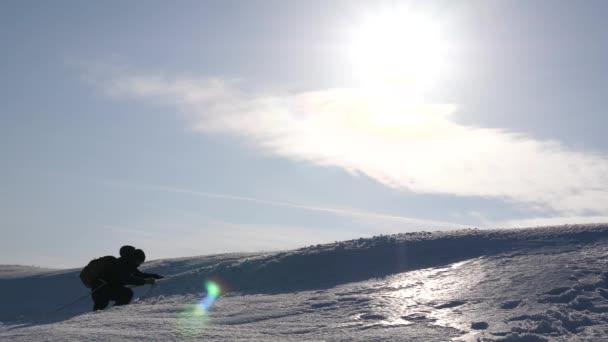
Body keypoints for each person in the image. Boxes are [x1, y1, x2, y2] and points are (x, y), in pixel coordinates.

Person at [91, 245, 164, 311]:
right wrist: (145, 281)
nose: (139, 265)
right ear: (135, 259)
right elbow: (127, 279)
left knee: (99, 308)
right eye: (139, 262)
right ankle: (114, 314)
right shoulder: (121, 265)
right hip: (101, 289)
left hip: (100, 288)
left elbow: (140, 275)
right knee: (126, 293)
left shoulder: (127, 264)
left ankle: (110, 315)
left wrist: (156, 276)